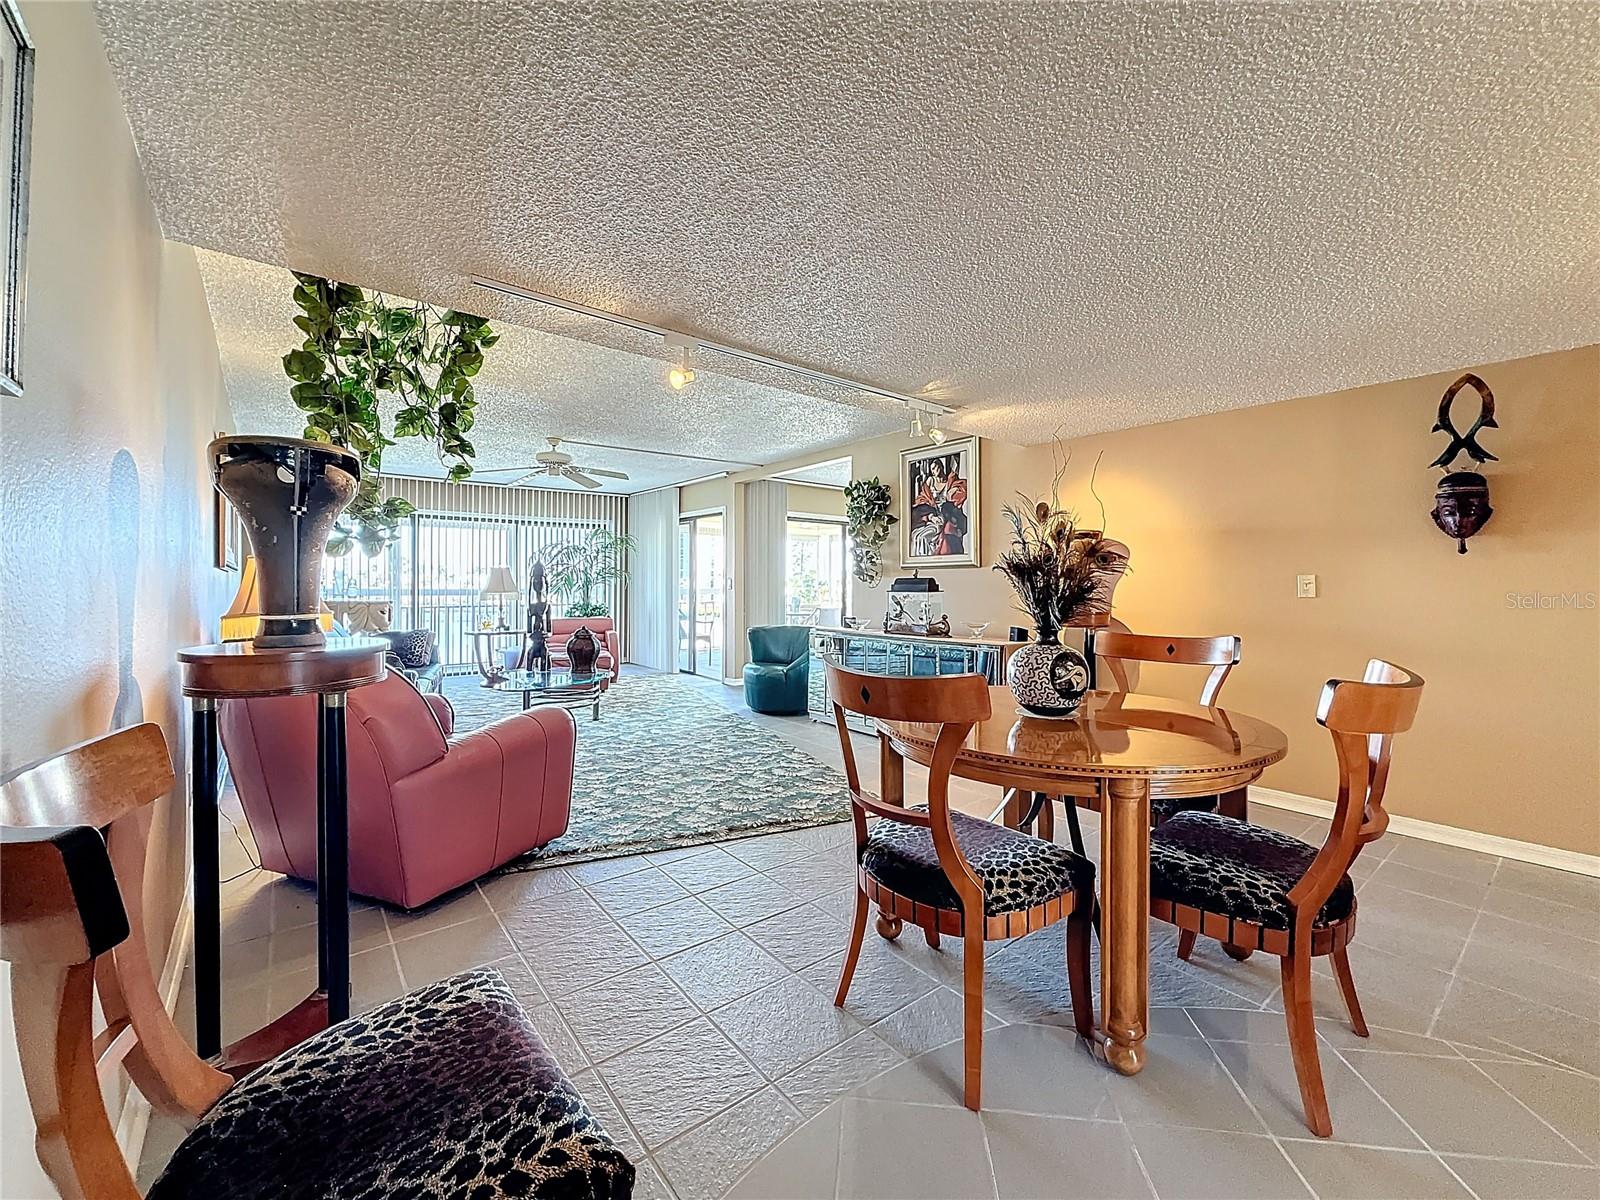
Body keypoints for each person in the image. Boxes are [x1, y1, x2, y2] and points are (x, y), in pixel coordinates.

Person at [911, 456, 969, 556]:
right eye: (932, 469)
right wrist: (930, 516)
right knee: (917, 535)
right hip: (932, 514)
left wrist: (954, 490)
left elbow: (962, 487)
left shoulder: (949, 481)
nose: (934, 471)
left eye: (935, 467)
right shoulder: (930, 481)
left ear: (940, 466)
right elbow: (922, 499)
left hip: (946, 513)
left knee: (927, 536)